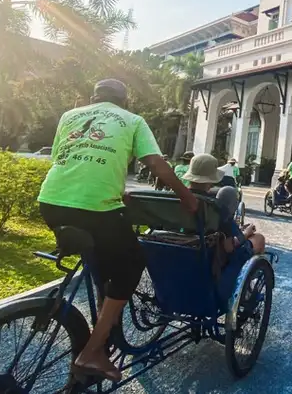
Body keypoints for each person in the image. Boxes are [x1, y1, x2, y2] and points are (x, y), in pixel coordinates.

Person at [37, 79, 197, 383]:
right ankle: (93, 351)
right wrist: (186, 197)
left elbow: (64, 159)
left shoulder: (70, 115)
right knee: (132, 263)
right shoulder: (133, 120)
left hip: (50, 202)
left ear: (93, 98)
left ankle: (104, 315)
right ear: (125, 101)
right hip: (95, 208)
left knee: (103, 257)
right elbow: (156, 164)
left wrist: (114, 189)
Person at [183, 153, 265, 256]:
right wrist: (246, 233)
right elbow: (228, 247)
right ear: (211, 181)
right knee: (259, 238)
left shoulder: (173, 198)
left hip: (173, 248)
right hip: (207, 255)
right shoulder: (215, 206)